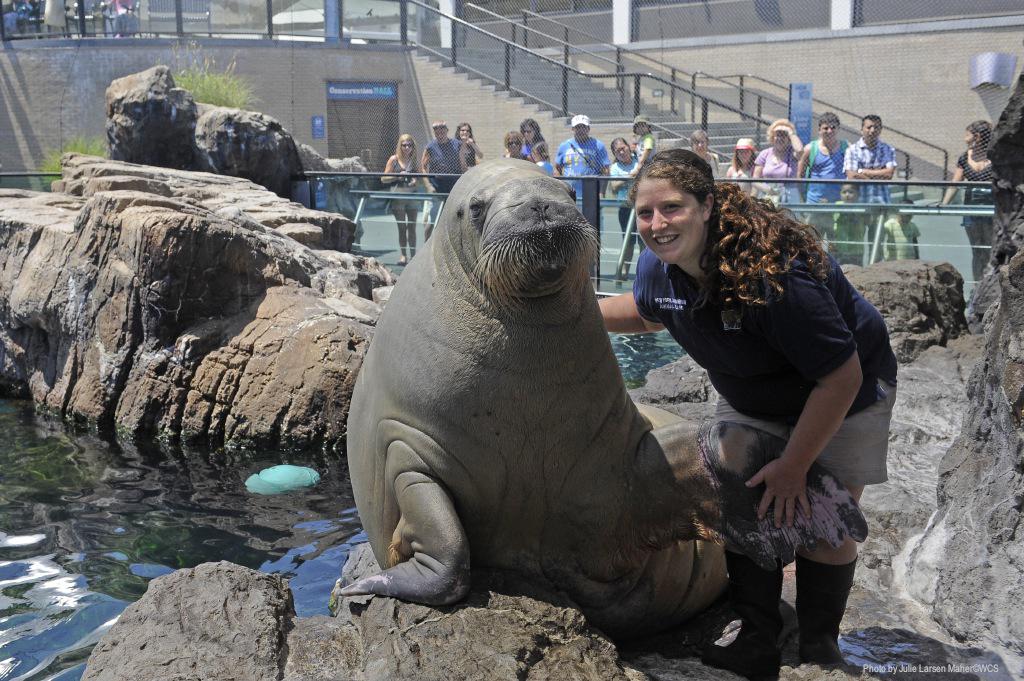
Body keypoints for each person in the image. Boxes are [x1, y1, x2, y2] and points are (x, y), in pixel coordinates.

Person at [600, 149, 897, 679]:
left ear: (706, 205)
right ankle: (758, 636)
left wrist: (794, 466)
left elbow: (841, 377)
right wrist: (570, 309)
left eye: (672, 208)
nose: (657, 224)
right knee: (741, 501)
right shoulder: (658, 268)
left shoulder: (771, 274)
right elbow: (648, 314)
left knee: (824, 517)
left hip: (843, 394)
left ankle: (819, 644)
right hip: (754, 395)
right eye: (645, 213)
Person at [942, 120, 994, 283]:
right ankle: (977, 285)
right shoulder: (965, 157)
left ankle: (990, 285)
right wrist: (944, 204)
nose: (964, 137)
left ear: (977, 136)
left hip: (991, 209)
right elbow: (955, 184)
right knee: (977, 249)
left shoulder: (994, 156)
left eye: (967, 134)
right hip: (971, 209)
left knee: (989, 248)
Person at [798, 112, 849, 244]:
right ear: (819, 130)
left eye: (833, 127)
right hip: (815, 203)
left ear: (838, 129)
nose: (829, 131)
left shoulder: (846, 148)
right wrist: (803, 199)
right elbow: (800, 175)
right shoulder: (810, 149)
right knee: (812, 242)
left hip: (838, 204)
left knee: (835, 243)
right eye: (825, 128)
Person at [383, 133, 425, 266]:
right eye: (404, 145)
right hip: (398, 197)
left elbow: (421, 179)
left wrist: (416, 181)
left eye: (409, 145)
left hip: (412, 196)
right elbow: (383, 178)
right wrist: (397, 176)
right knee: (402, 227)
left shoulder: (414, 160)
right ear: (400, 146)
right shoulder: (393, 159)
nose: (407, 148)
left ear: (413, 146)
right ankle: (403, 255)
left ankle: (413, 255)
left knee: (412, 227)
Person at [844, 115, 896, 204]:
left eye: (876, 127)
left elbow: (889, 174)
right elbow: (852, 176)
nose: (872, 130)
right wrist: (879, 174)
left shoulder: (888, 149)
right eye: (869, 127)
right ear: (862, 130)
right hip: (859, 202)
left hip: (882, 201)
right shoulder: (852, 150)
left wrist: (862, 171)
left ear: (880, 130)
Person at [607, 137, 640, 280]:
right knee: (628, 241)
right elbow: (614, 186)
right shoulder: (614, 168)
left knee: (644, 241)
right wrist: (631, 176)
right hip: (625, 207)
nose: (621, 152)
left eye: (623, 148)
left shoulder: (638, 161)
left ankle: (643, 271)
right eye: (617, 151)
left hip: (642, 207)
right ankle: (624, 271)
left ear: (628, 147)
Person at [555, 114, 610, 198]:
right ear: (572, 129)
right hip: (569, 193)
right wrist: (561, 188)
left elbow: (605, 170)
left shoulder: (598, 145)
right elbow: (557, 169)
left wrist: (601, 192)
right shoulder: (564, 146)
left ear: (588, 129)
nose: (581, 130)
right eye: (577, 127)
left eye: (583, 127)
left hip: (591, 191)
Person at [753, 118, 803, 205]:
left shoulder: (792, 154)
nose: (780, 138)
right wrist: (768, 189)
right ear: (773, 137)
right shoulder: (764, 154)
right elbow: (755, 180)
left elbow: (799, 150)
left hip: (789, 197)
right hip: (768, 196)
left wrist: (791, 133)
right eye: (777, 135)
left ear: (789, 138)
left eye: (784, 135)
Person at [420, 120, 462, 195]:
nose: (439, 131)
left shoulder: (457, 144)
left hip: (455, 183)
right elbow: (423, 167)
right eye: (436, 129)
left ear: (447, 130)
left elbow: (464, 163)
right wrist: (428, 185)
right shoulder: (430, 147)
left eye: (442, 128)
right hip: (437, 184)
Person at [832, 183, 868, 265]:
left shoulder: (861, 207)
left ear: (857, 194)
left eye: (851, 192)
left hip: (856, 250)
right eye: (844, 192)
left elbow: (868, 221)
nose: (847, 195)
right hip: (839, 249)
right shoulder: (836, 205)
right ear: (840, 194)